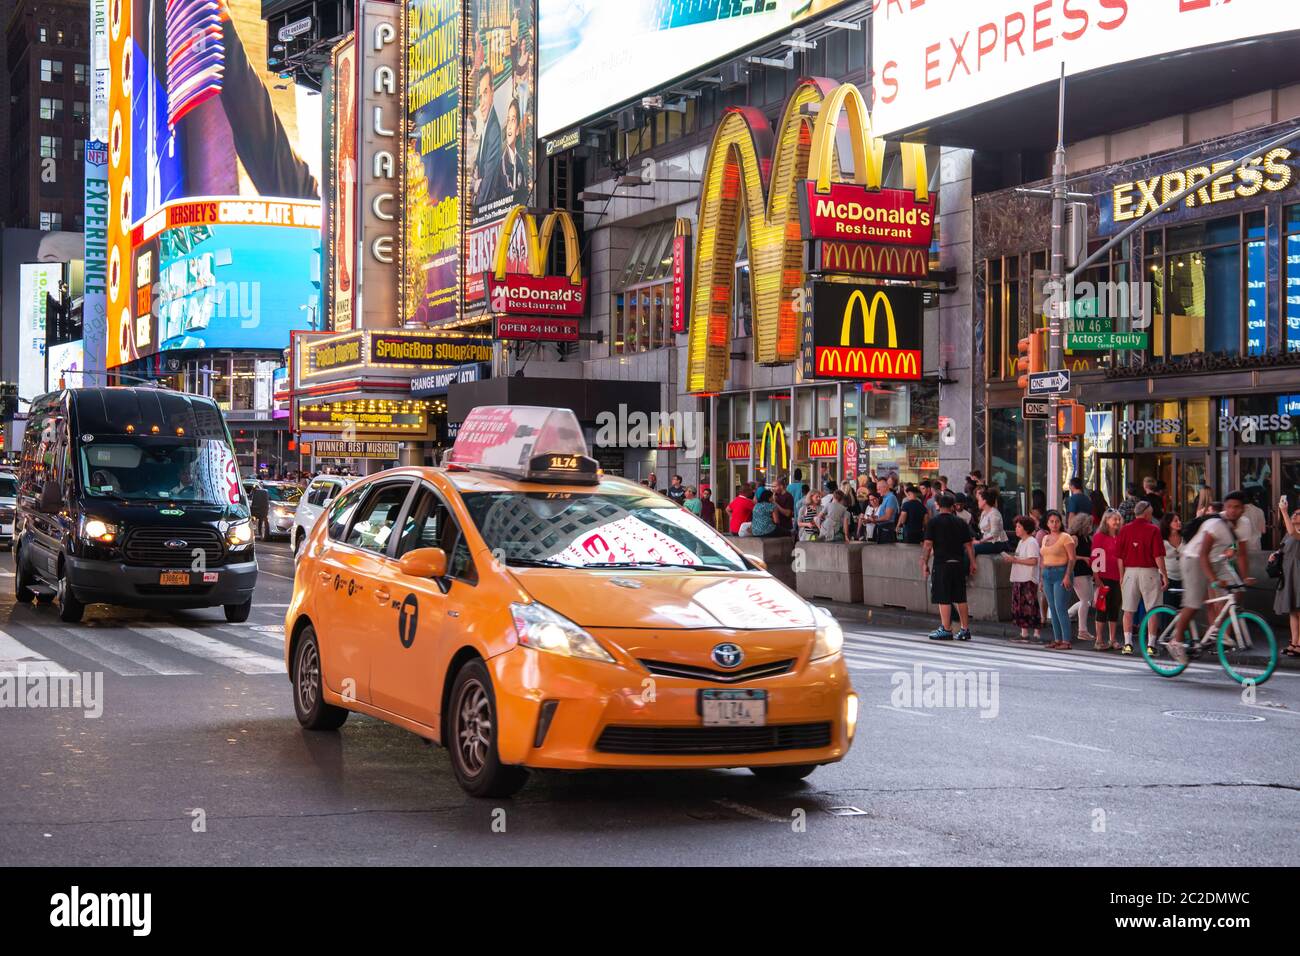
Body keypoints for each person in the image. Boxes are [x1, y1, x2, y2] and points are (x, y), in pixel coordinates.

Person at [1169, 492, 1254, 663]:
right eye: (1229, 506)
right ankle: (1175, 641)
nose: (1232, 510)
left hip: (1217, 560)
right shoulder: (1215, 524)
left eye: (1237, 507)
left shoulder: (1244, 524)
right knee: (1193, 603)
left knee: (1238, 591)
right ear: (1224, 508)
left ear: (1243, 509)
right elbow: (1202, 555)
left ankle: (1218, 632)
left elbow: (1243, 554)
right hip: (1193, 559)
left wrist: (1245, 578)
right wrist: (1213, 580)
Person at [921, 494, 977, 641]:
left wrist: (924, 562)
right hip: (958, 563)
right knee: (960, 597)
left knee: (943, 596)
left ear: (938, 505)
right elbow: (969, 545)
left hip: (942, 563)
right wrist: (972, 563)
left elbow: (927, 545)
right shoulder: (961, 522)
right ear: (952, 507)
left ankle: (946, 628)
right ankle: (965, 629)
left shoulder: (933, 522)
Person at [1117, 500, 1168, 655]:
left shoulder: (1125, 530)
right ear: (1146, 512)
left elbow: (1119, 557)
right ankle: (1151, 645)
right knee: (1152, 609)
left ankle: (1127, 644)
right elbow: (1158, 555)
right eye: (1151, 511)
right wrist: (1164, 574)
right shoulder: (1154, 530)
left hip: (1129, 572)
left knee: (1128, 609)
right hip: (1150, 572)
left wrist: (1121, 576)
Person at [1039, 510, 1077, 649]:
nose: (1054, 524)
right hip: (1047, 573)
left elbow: (1072, 558)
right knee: (1052, 607)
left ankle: (1066, 640)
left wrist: (1067, 575)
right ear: (1047, 523)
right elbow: (1043, 559)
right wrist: (1042, 579)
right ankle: (1057, 639)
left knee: (1061, 607)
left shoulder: (1066, 537)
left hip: (1061, 572)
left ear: (1061, 523)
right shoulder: (1045, 538)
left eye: (1057, 521)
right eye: (1051, 521)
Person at [1004, 515, 1043, 644]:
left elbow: (1033, 561)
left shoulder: (1031, 542)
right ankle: (1024, 632)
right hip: (1020, 576)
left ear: (1026, 528)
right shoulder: (1022, 542)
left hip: (1028, 577)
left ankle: (1036, 633)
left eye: (1019, 526)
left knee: (1030, 605)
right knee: (1021, 605)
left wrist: (1015, 560)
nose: (1016, 529)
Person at [1092, 509, 1124, 650]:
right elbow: (1095, 557)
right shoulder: (1099, 536)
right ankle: (1099, 639)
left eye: (1118, 519)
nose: (1117, 522)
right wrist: (1097, 577)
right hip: (1104, 577)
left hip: (1118, 577)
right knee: (1102, 609)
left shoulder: (1120, 536)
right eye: (1114, 519)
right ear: (1106, 520)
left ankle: (1112, 639)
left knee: (1114, 609)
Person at [1066, 511, 1097, 648]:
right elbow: (1069, 555)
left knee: (1088, 600)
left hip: (1085, 571)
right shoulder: (1075, 538)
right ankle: (1082, 630)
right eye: (1088, 524)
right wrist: (1084, 558)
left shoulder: (1086, 538)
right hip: (1078, 571)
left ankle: (1067, 615)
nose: (1091, 527)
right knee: (1086, 601)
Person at [1274, 498, 1300, 658]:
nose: (1295, 515)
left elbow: (1293, 533)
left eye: (1298, 514)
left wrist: (1283, 511)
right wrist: (1275, 554)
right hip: (1289, 573)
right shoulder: (1288, 534)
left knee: (1299, 610)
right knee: (1293, 611)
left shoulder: (1295, 533)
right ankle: (1294, 643)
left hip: (1298, 573)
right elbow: (1283, 548)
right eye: (1294, 514)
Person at [973, 487, 1009, 555]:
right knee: (967, 547)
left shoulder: (994, 513)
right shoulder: (984, 512)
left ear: (984, 501)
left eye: (979, 500)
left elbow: (994, 533)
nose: (978, 502)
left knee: (971, 549)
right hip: (987, 542)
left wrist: (980, 541)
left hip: (997, 543)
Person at [1161, 513, 1185, 609]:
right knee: (1169, 609)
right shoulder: (1162, 540)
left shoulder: (1185, 537)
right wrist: (1163, 577)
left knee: (1182, 610)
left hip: (1184, 578)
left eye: (1179, 520)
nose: (1179, 522)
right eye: (1175, 521)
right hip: (1168, 578)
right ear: (1168, 523)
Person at [872, 478, 899, 543]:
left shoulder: (891, 497)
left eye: (879, 489)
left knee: (885, 551)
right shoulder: (885, 498)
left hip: (887, 530)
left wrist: (874, 520)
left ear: (885, 487)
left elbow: (887, 516)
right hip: (883, 529)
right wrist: (874, 518)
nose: (878, 492)